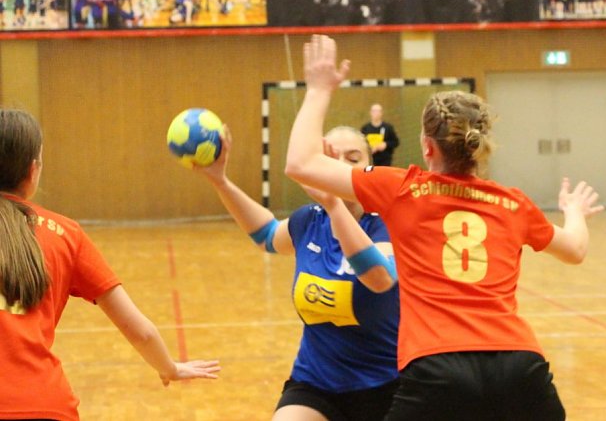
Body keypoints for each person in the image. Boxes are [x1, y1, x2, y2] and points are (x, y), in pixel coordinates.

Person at [285, 35, 603, 420]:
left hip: (437, 367)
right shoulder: (513, 202)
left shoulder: (403, 188)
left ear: (427, 146)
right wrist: (573, 212)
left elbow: (300, 162)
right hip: (519, 365)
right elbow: (575, 250)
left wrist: (319, 90)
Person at [0, 109, 220, 421]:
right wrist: (169, 368)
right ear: (33, 170)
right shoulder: (66, 235)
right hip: (46, 404)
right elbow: (138, 330)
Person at [192, 123, 400, 421]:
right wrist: (220, 182)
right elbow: (266, 234)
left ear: (370, 169)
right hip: (316, 383)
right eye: (330, 159)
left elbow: (379, 276)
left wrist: (333, 205)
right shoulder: (309, 222)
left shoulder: (386, 224)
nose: (340, 168)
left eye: (353, 160)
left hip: (386, 386)